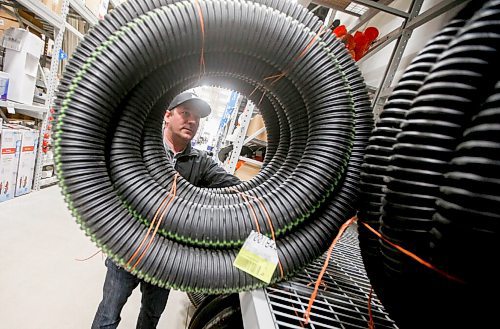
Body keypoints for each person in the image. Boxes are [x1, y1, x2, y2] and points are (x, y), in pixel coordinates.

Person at [92, 90, 241, 329]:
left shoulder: (200, 162)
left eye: (196, 118)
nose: (191, 121)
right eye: (185, 113)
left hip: (167, 256)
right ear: (167, 116)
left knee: (151, 317)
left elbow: (237, 186)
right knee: (108, 315)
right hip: (129, 248)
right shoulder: (138, 148)